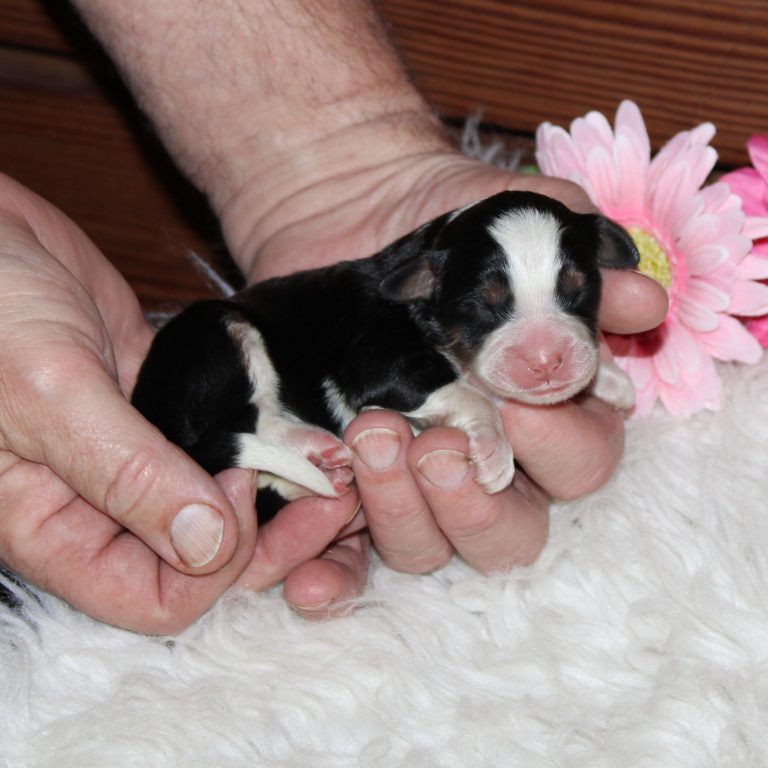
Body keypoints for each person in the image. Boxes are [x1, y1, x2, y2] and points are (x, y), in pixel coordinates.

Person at [0, 0, 667, 633]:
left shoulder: (437, 297)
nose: (547, 349)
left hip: (285, 453)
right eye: (492, 310)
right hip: (210, 385)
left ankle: (262, 459)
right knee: (216, 331)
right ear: (426, 285)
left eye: (572, 296)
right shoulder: (386, 307)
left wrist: (347, 160)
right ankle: (249, 441)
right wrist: (472, 410)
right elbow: (381, 379)